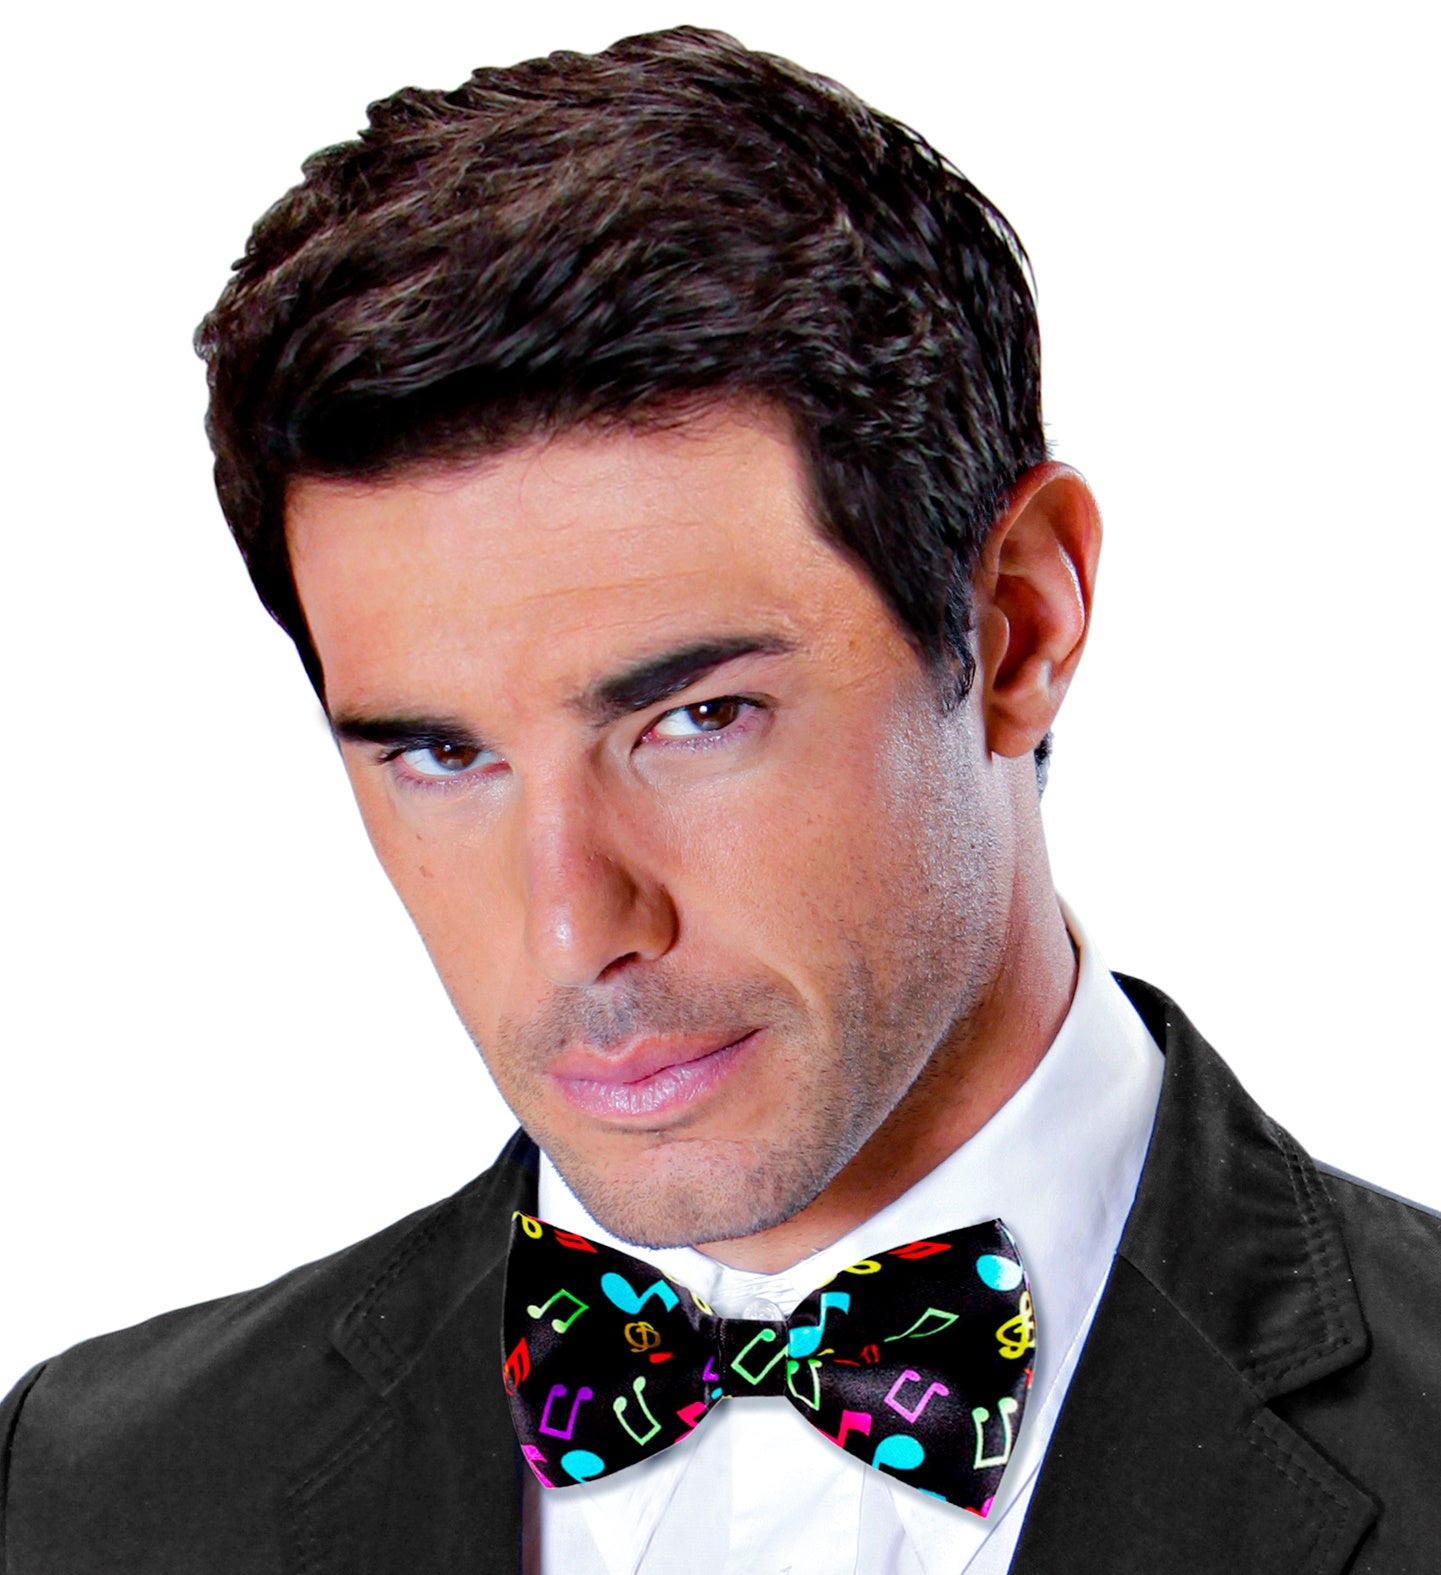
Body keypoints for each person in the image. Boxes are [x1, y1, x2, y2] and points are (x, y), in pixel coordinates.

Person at [2, 24, 1437, 1574]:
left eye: (693, 720)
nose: (572, 930)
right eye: (442, 756)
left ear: (1019, 625)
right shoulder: (94, 1497)